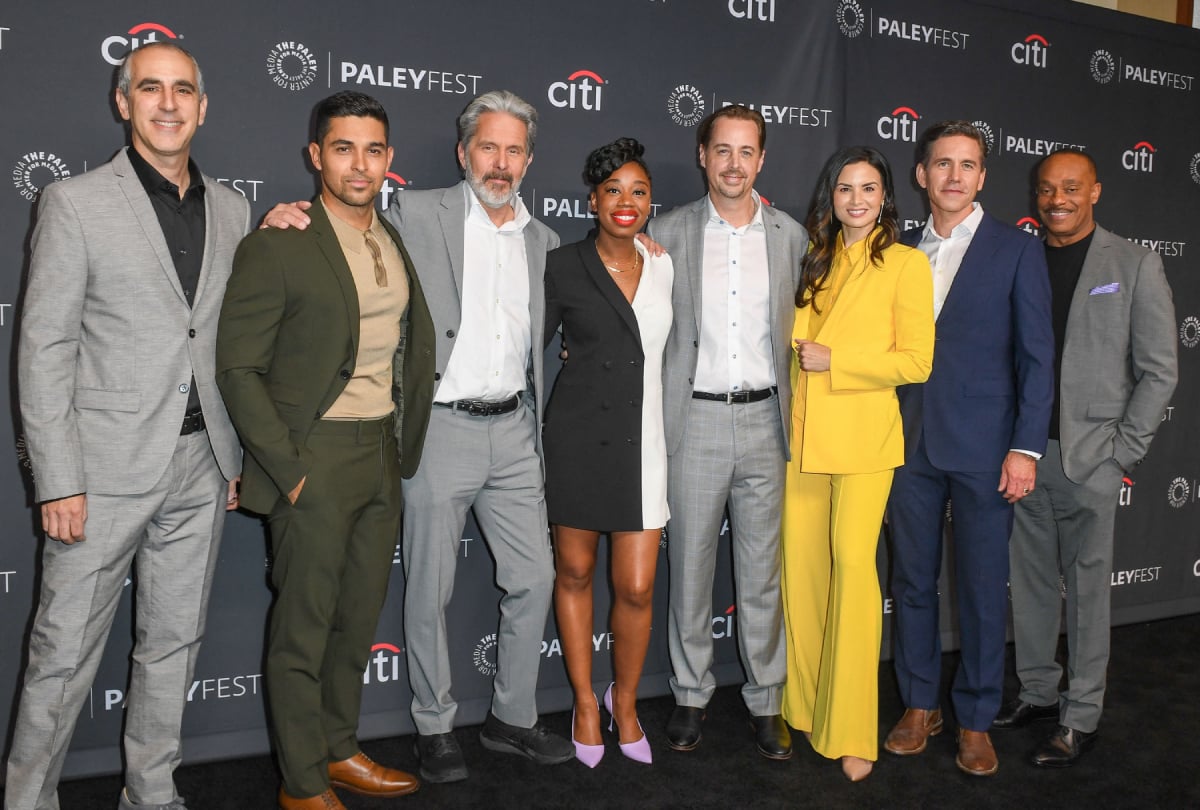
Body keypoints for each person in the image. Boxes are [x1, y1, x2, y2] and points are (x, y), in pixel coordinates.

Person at [261, 90, 574, 783]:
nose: (500, 162)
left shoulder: (545, 242)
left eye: (514, 149)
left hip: (516, 432)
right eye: (487, 147)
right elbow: (343, 216)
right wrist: (288, 212)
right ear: (464, 152)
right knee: (428, 586)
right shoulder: (412, 211)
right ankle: (434, 726)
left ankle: (512, 718)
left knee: (535, 578)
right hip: (440, 430)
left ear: (528, 159)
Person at [7, 42, 249, 810]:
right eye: (151, 88)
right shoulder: (75, 203)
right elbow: (43, 348)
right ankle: (28, 800)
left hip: (201, 464)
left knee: (173, 646)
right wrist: (59, 480)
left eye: (183, 90)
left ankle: (152, 792)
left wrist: (234, 453)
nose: (169, 104)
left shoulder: (236, 209)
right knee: (62, 653)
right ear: (124, 101)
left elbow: (228, 342)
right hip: (100, 474)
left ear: (203, 107)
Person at [216, 91, 432, 810]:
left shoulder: (392, 238)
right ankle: (302, 781)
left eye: (373, 150)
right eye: (343, 148)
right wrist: (288, 467)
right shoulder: (279, 240)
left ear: (389, 160)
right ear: (316, 155)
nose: (359, 164)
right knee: (302, 631)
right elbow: (238, 367)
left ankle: (339, 749)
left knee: (357, 618)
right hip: (314, 456)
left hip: (381, 454)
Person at [992, 149, 1177, 767]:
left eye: (1071, 187)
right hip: (1022, 454)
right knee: (1035, 585)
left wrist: (1123, 451)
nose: (1057, 199)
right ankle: (1040, 693)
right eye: (1046, 189)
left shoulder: (1133, 262)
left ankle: (1081, 714)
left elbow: (1158, 372)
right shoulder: (1021, 258)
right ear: (1034, 196)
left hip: (1092, 460)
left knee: (1091, 591)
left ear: (1095, 191)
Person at [883, 120, 1054, 777]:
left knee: (983, 589)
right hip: (907, 446)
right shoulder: (895, 250)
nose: (954, 175)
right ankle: (919, 704)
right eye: (942, 164)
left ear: (983, 177)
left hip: (988, 450)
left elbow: (1038, 359)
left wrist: (1025, 449)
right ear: (921, 174)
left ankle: (976, 718)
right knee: (912, 582)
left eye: (968, 165)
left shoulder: (1017, 250)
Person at [647, 105, 806, 759]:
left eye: (747, 152)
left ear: (761, 160)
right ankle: (689, 694)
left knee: (763, 574)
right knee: (689, 569)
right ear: (702, 156)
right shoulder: (667, 231)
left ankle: (766, 700)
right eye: (722, 151)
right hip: (698, 417)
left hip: (768, 420)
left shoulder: (791, 236)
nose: (734, 163)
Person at [781, 147, 934, 782]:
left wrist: (837, 363)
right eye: (846, 188)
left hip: (865, 442)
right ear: (831, 196)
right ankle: (806, 704)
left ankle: (852, 729)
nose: (857, 199)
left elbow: (916, 362)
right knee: (803, 575)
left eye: (869, 188)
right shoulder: (814, 257)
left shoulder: (905, 263)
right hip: (803, 440)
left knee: (854, 574)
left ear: (886, 197)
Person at [543, 138, 673, 767]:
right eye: (613, 190)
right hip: (576, 441)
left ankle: (626, 702)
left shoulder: (667, 264)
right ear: (592, 199)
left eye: (639, 191)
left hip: (644, 445)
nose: (626, 202)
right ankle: (586, 704)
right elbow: (529, 353)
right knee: (572, 574)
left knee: (639, 587)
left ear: (652, 202)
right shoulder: (560, 264)